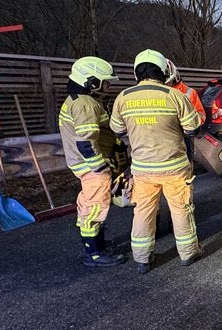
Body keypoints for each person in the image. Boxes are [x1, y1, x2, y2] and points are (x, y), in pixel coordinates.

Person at [110, 49, 204, 274]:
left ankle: (142, 259)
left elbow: (117, 128)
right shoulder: (175, 96)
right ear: (163, 71)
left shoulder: (123, 97)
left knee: (143, 211)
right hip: (174, 168)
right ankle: (188, 253)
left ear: (136, 72)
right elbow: (193, 128)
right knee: (181, 209)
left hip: (142, 169)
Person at [58, 56, 127, 267]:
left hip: (89, 164)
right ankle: (94, 253)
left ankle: (98, 245)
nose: (107, 86)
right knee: (95, 206)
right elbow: (86, 143)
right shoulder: (85, 103)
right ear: (91, 81)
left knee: (92, 204)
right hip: (92, 166)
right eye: (104, 81)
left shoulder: (81, 99)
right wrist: (100, 166)